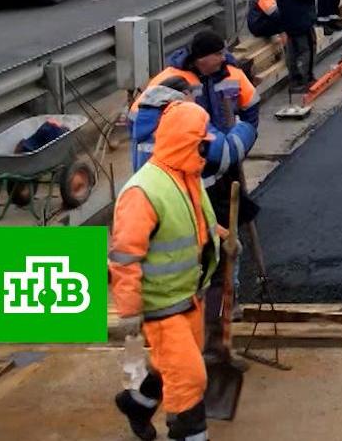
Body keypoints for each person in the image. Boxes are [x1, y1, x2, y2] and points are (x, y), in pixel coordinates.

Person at [134, 29, 258, 357]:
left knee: (223, 253)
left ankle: (207, 339)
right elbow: (223, 149)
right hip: (173, 291)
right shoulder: (184, 135)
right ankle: (212, 338)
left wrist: (216, 231)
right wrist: (244, 131)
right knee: (212, 268)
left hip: (170, 278)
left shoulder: (157, 150)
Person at [112, 99, 222, 441]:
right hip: (161, 306)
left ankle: (138, 403)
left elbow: (196, 225)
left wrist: (224, 238)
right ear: (187, 141)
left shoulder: (187, 176)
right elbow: (125, 257)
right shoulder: (143, 192)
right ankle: (188, 433)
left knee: (171, 366)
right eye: (203, 141)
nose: (207, 147)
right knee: (190, 379)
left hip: (188, 297)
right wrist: (129, 310)